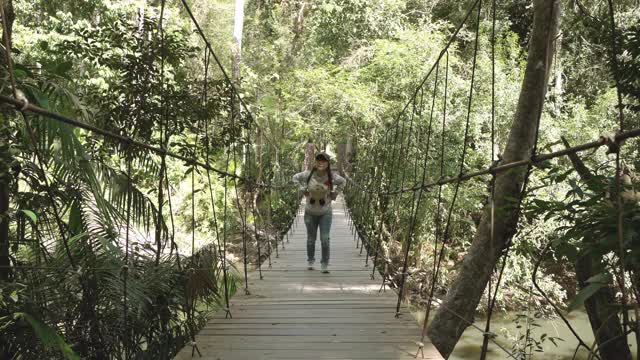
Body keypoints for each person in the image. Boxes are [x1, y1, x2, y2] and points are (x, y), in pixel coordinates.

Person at [292, 152, 346, 273]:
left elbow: (343, 181)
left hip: (325, 211)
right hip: (310, 212)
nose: (321, 163)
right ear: (315, 162)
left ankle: (324, 263)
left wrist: (335, 193)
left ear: (327, 163)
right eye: (318, 160)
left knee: (325, 239)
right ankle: (311, 260)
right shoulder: (308, 174)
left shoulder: (332, 176)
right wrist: (302, 189)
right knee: (311, 239)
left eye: (324, 161)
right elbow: (295, 177)